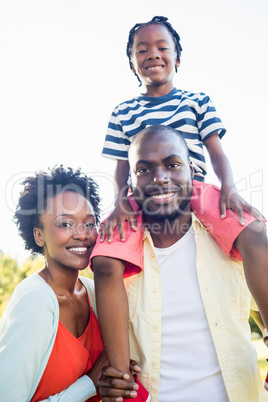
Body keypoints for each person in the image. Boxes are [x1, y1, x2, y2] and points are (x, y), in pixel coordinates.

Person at [94, 15, 267, 393]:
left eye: (161, 48)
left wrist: (230, 188)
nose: (152, 55)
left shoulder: (197, 100)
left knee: (255, 233)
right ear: (131, 61)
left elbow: (216, 152)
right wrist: (119, 203)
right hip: (140, 197)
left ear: (177, 58)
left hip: (196, 189)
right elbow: (122, 168)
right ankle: (122, 379)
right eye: (142, 50)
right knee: (105, 261)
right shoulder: (123, 111)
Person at [93, 125, 268, 401]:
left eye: (172, 165)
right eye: (144, 169)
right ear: (130, 181)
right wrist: (114, 381)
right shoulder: (116, 258)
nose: (159, 178)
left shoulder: (234, 242)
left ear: (192, 170)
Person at [0, 166, 106, 401]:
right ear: (39, 235)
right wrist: (90, 383)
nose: (81, 234)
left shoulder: (93, 293)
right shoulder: (35, 301)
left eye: (89, 224)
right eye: (65, 224)